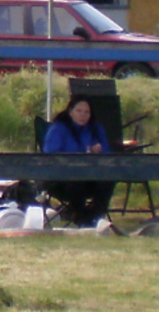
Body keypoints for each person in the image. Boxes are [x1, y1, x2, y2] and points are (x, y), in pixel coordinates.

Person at [41, 97, 118, 227]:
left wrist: (99, 151)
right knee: (76, 181)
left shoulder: (96, 129)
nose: (83, 115)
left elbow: (107, 153)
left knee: (108, 180)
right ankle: (81, 217)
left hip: (91, 176)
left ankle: (96, 217)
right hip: (62, 178)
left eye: (87, 112)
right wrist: (83, 152)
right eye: (79, 111)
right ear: (71, 112)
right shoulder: (58, 129)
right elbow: (51, 156)